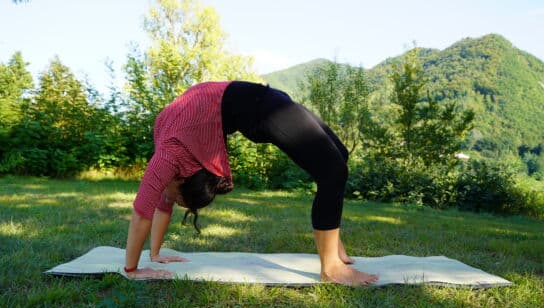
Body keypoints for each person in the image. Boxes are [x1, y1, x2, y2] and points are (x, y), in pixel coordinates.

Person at [124, 81, 379, 286]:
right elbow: (162, 202)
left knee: (338, 159)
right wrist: (155, 255)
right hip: (261, 103)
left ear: (181, 179)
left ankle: (332, 258)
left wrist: (131, 268)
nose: (166, 196)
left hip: (265, 105)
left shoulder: (169, 155)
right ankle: (332, 264)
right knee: (332, 169)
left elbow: (143, 210)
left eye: (176, 198)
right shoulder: (174, 158)